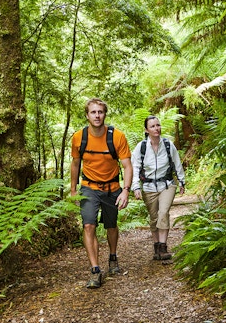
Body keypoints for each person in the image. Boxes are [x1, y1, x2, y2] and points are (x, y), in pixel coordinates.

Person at [70, 98, 133, 289]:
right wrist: (73, 190)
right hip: (89, 187)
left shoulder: (117, 137)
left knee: (111, 226)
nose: (97, 116)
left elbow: (127, 165)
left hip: (112, 187)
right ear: (87, 115)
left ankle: (113, 257)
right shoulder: (79, 138)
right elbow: (75, 164)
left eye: (100, 112)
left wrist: (126, 190)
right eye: (93, 112)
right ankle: (95, 270)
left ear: (105, 114)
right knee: (88, 225)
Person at [130, 115, 186, 261]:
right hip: (148, 187)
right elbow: (135, 167)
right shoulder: (141, 147)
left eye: (158, 125)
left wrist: (181, 181)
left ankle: (163, 246)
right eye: (153, 126)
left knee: (163, 213)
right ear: (146, 130)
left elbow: (176, 162)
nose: (157, 128)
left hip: (167, 184)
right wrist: (135, 186)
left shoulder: (168, 145)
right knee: (154, 217)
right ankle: (156, 246)